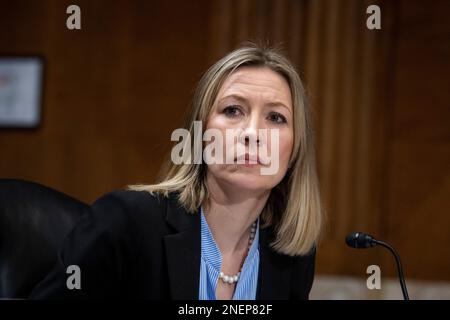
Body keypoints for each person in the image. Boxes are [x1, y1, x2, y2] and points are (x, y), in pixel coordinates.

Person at [30, 43, 323, 300]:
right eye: (233, 110)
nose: (252, 132)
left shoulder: (292, 254)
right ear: (200, 133)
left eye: (276, 117)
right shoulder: (124, 221)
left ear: (295, 147)